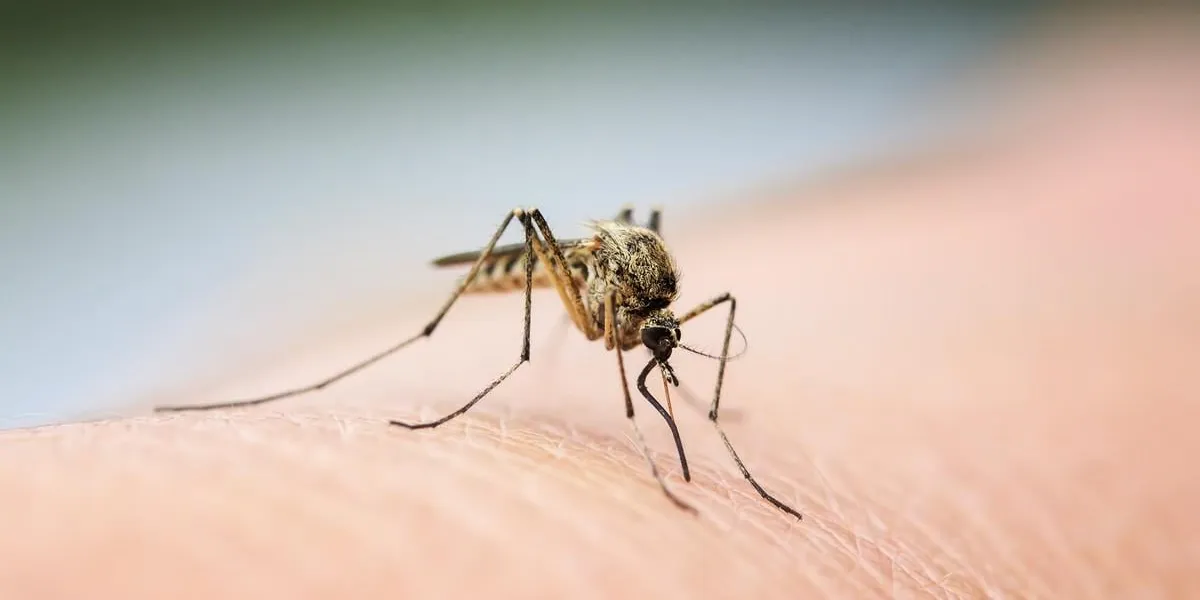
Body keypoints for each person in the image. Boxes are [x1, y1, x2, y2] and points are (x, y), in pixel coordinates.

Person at [3, 16, 1199, 597]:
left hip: (619, 264)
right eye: (659, 342)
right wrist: (555, 328)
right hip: (551, 269)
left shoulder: (675, 302)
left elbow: (674, 307)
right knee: (536, 219)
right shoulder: (612, 290)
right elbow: (598, 266)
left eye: (662, 342)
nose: (663, 349)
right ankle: (392, 366)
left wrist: (712, 417)